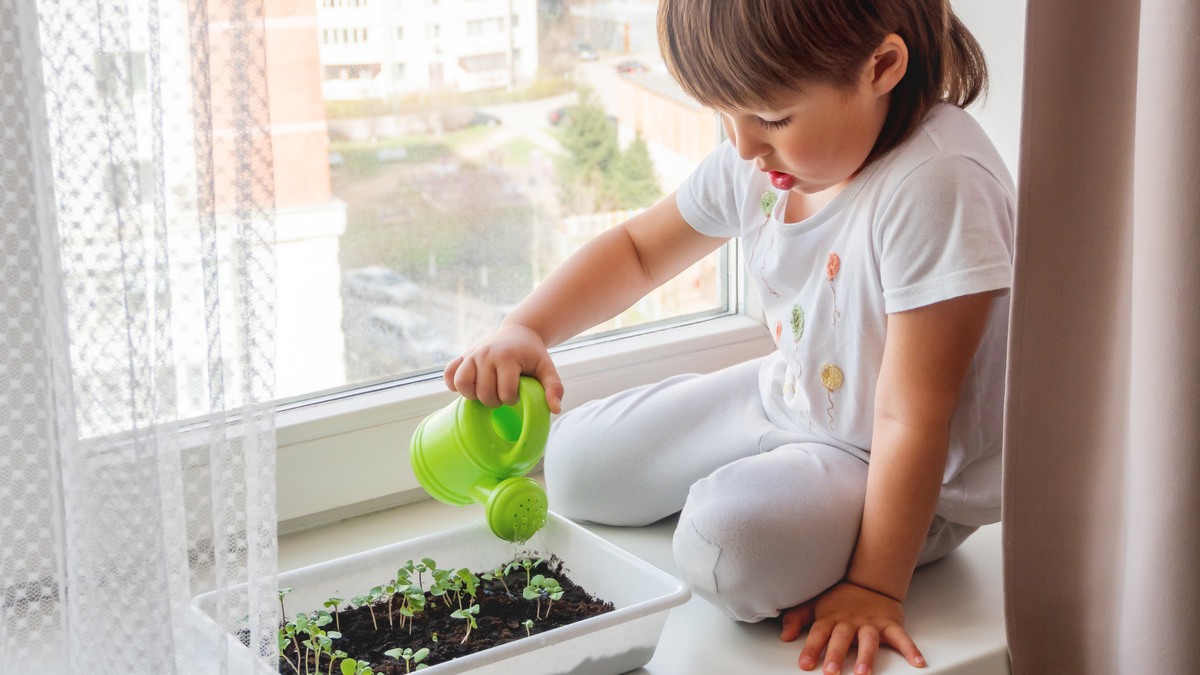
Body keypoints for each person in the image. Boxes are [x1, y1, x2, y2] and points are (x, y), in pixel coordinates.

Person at [443, 1, 1013, 673]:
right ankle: (750, 481)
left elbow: (913, 416)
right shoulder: (765, 157)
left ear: (881, 67)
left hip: (902, 466)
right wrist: (527, 327)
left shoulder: (937, 183)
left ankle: (769, 506)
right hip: (795, 399)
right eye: (725, 113)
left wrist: (873, 586)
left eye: (770, 118)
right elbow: (637, 250)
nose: (742, 145)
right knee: (570, 468)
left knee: (722, 554)